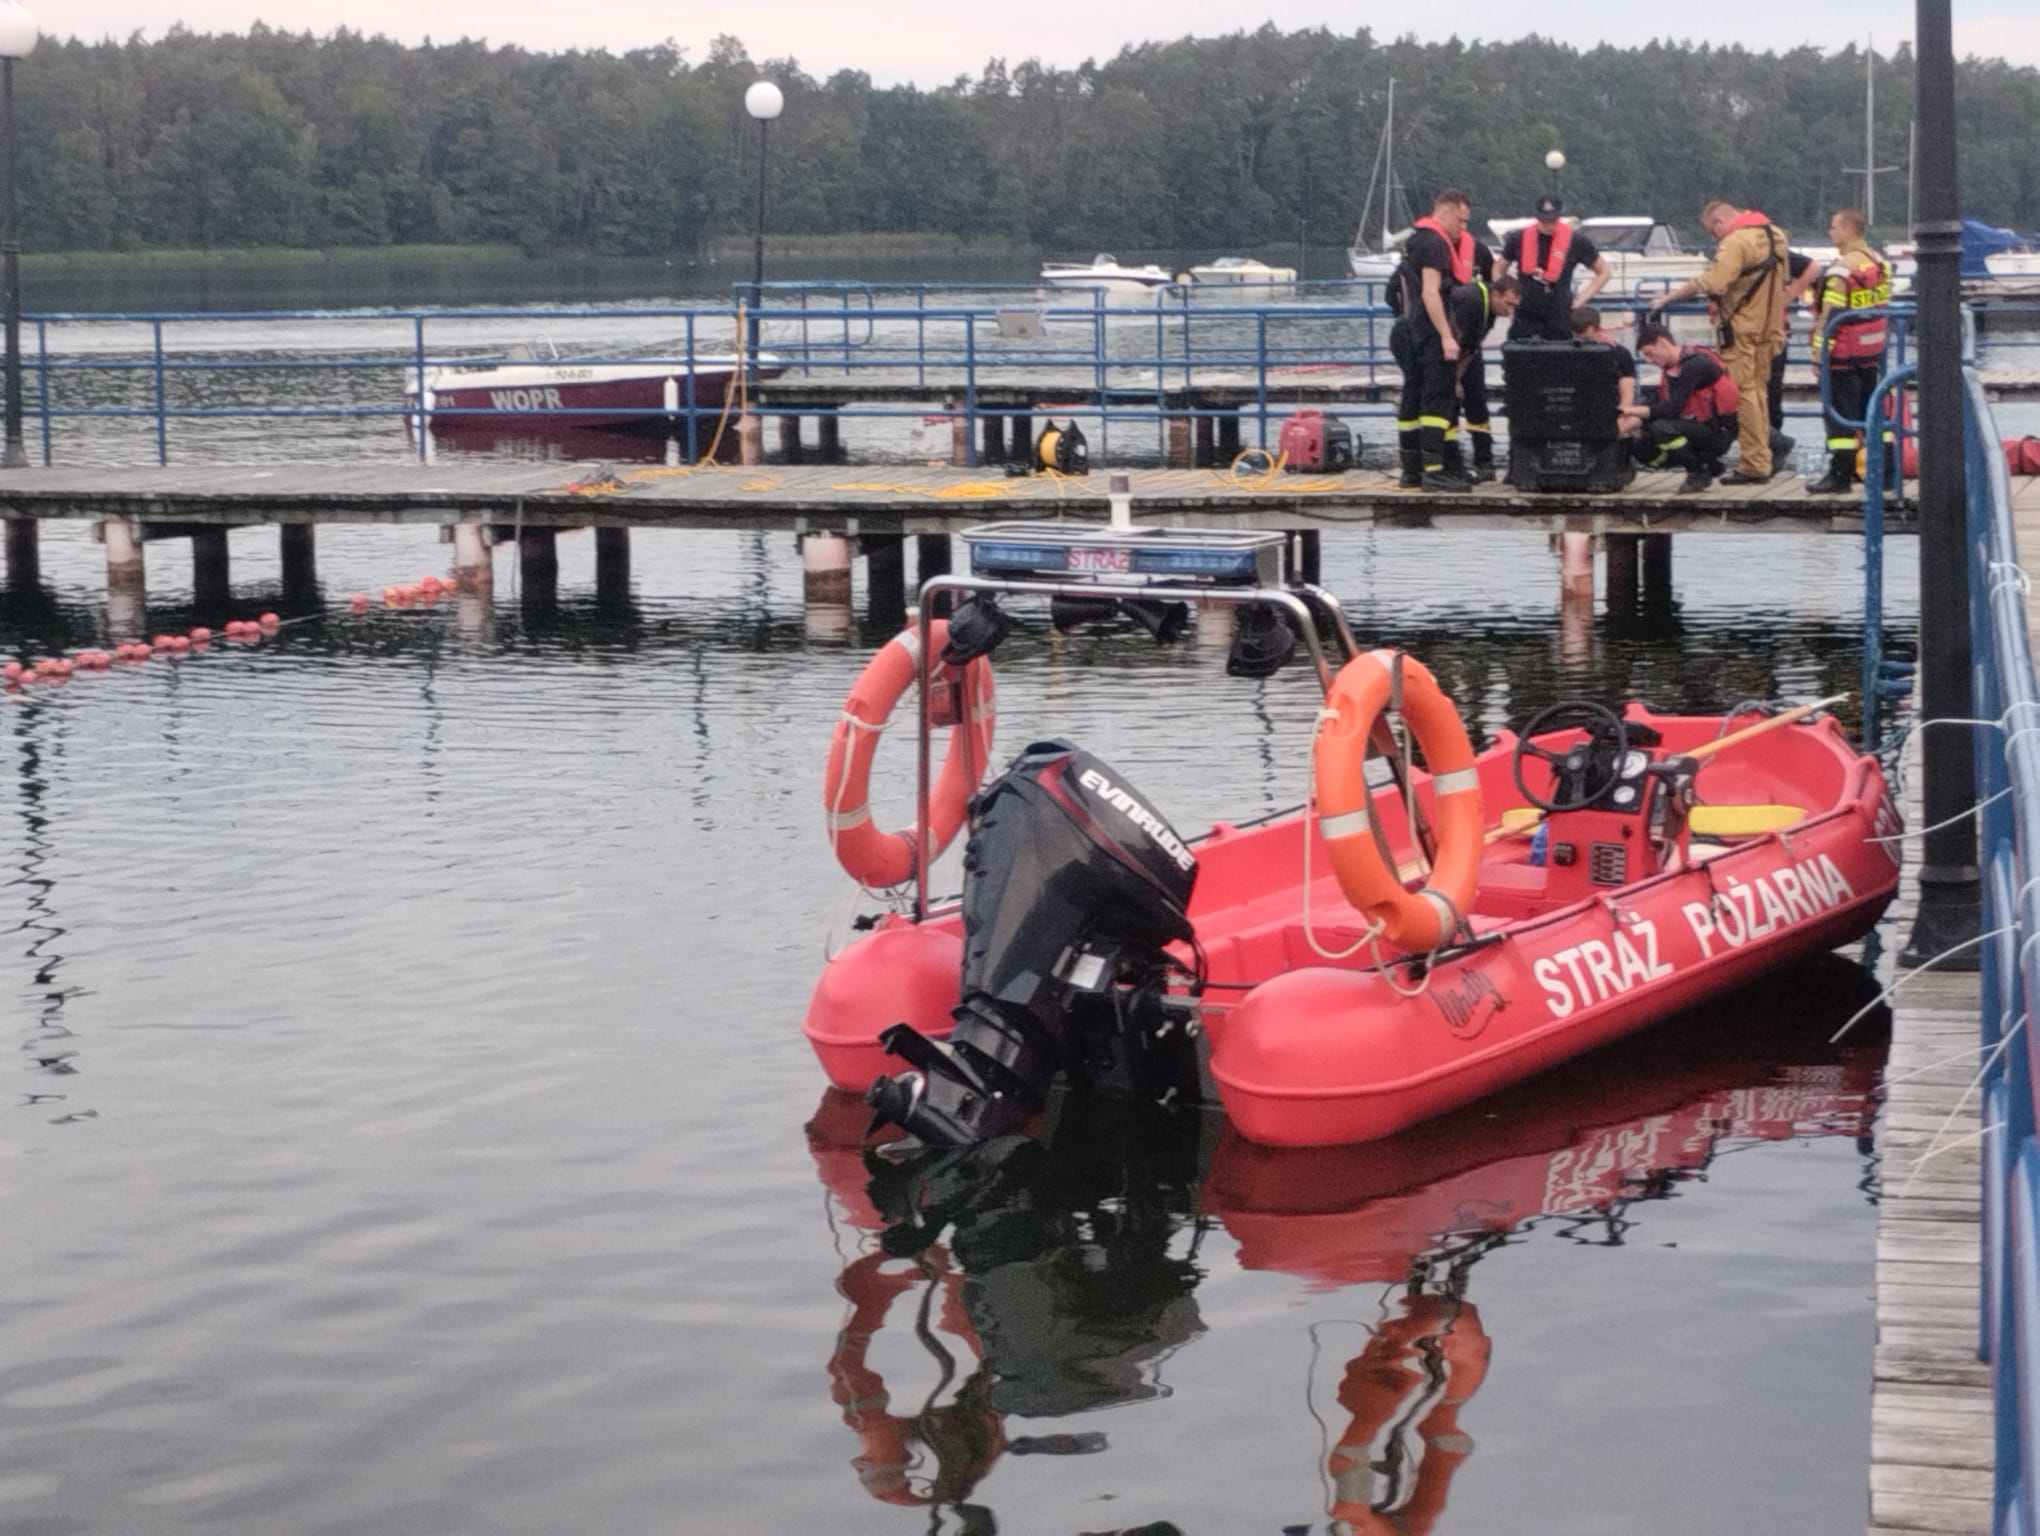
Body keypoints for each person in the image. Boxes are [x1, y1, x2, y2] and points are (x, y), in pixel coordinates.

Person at [1646, 201, 1789, 483]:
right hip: (1770, 326)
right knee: (1758, 392)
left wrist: (1670, 297)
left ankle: (1754, 463)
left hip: (1741, 328)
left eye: (1714, 232)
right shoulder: (1776, 234)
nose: (1715, 238)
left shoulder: (1735, 242)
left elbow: (1715, 282)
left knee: (1743, 395)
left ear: (1721, 221)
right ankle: (1765, 452)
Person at [1389, 188, 1479, 492]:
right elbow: (1430, 292)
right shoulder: (1436, 243)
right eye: (1462, 221)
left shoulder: (1416, 240)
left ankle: (1411, 470)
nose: (1463, 229)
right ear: (1447, 211)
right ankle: (1434, 471)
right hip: (1429, 331)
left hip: (1409, 329)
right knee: (1437, 399)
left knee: (1412, 396)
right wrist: (1446, 336)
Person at [1807, 208, 1894, 494]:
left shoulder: (1841, 270)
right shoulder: (1879, 262)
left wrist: (1818, 353)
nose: (1830, 232)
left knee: (1839, 416)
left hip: (1843, 355)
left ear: (1848, 230)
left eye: (1834, 227)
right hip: (1873, 349)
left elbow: (1830, 316)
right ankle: (1887, 472)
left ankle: (1840, 475)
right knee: (1874, 410)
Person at [1620, 323, 1739, 493]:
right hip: (1696, 425)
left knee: (1661, 428)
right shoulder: (1671, 369)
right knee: (1642, 447)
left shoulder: (1694, 364)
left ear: (1661, 343)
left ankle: (1699, 469)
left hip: (1718, 431)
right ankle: (1710, 465)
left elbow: (1671, 408)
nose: (1648, 361)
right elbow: (1656, 404)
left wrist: (1629, 410)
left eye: (1649, 353)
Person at [1443, 273, 1522, 482]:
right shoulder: (1470, 301)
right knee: (1448, 405)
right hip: (1445, 352)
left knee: (1477, 402)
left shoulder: (1491, 311)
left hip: (1467, 354)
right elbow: (1458, 338)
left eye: (1514, 307)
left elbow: (1470, 347)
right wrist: (1455, 379)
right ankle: (1450, 464)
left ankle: (1484, 462)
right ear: (1495, 294)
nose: (1510, 311)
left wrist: (1460, 376)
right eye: (1508, 304)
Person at [1501, 196, 1611, 341]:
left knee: (1559, 359)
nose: (1548, 225)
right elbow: (1499, 267)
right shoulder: (1517, 238)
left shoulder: (1577, 241)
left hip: (1560, 317)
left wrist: (1580, 299)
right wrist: (1506, 294)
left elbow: (1604, 271)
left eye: (1552, 221)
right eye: (1544, 220)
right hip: (1525, 315)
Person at [1766, 248, 1826, 460]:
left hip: (1771, 335)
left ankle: (1774, 447)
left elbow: (1812, 267)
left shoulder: (1768, 250)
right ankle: (1768, 447)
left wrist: (1787, 296)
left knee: (1767, 395)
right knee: (1758, 396)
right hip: (1749, 335)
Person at [1570, 306, 1637, 415]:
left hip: (1611, 406)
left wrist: (1620, 415)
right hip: (1578, 408)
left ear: (1598, 329)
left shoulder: (1620, 354)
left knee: (1634, 420)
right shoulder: (1568, 353)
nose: (1583, 343)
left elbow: (1627, 395)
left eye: (1586, 339)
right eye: (1578, 339)